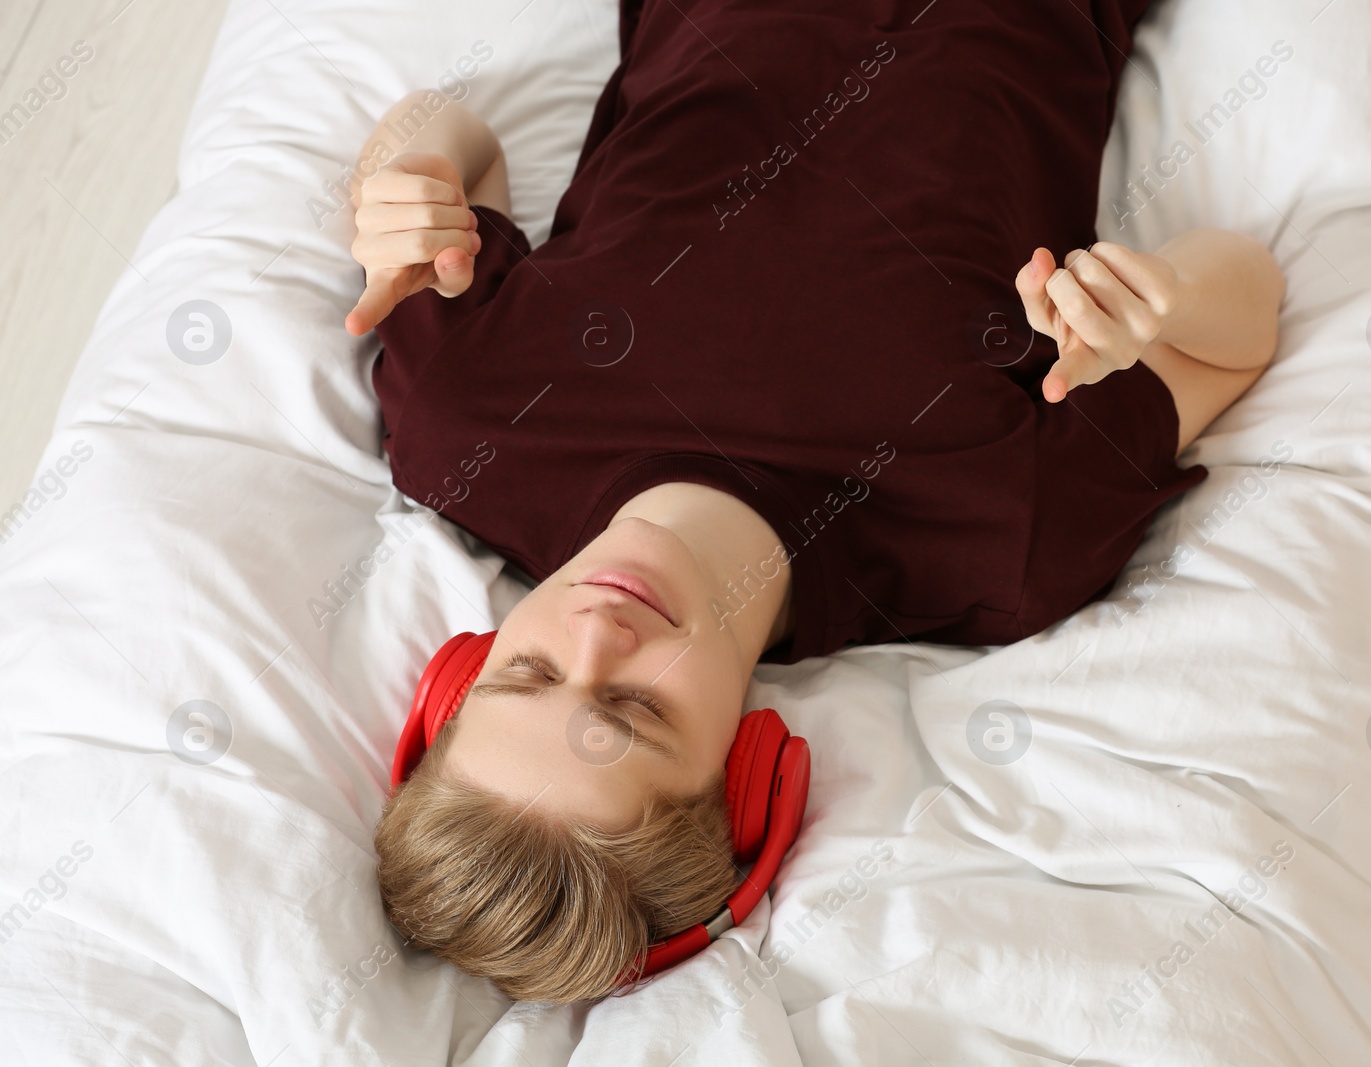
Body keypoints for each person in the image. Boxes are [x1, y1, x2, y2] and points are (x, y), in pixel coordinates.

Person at [349, 0, 1284, 1003]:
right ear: (744, 769)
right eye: (635, 706)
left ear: (466, 669)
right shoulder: (999, 539)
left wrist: (399, 183)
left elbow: (460, 149)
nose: (598, 632)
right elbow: (1240, 317)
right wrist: (1161, 299)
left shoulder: (466, 424)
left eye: (527, 669)